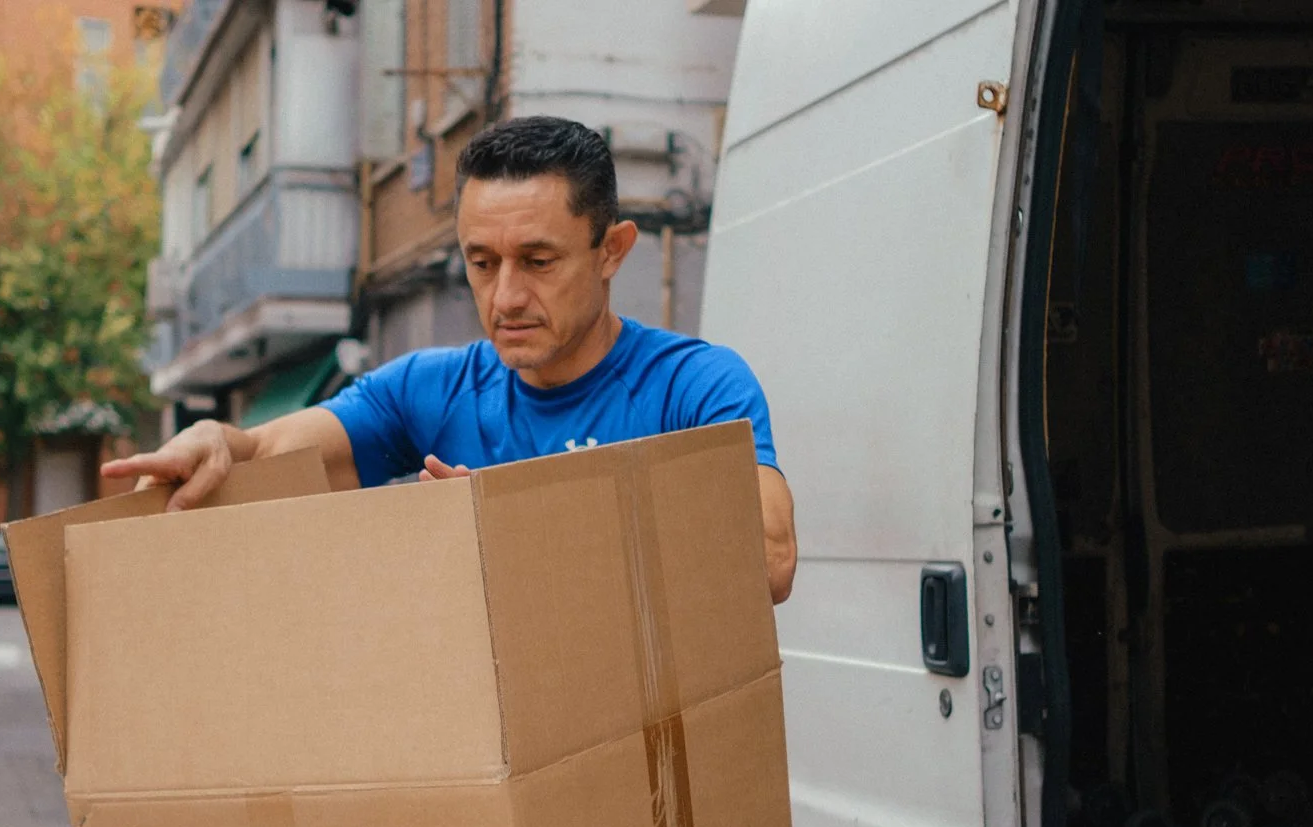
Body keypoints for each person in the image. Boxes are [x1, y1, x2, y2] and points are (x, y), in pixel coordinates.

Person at [103, 116, 798, 604]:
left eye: (538, 260)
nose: (506, 296)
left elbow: (769, 560)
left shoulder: (695, 387)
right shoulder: (428, 388)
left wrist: (513, 529)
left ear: (612, 249)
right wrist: (220, 444)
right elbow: (267, 454)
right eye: (482, 262)